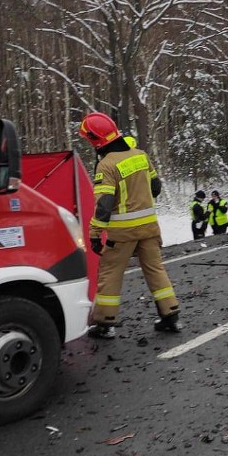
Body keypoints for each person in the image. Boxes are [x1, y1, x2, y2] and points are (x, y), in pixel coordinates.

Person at [79, 112, 180, 338]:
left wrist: (95, 233)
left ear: (96, 141)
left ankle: (104, 323)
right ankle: (170, 314)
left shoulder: (106, 165)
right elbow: (155, 187)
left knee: (110, 272)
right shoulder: (141, 155)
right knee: (155, 269)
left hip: (122, 232)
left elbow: (104, 205)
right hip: (150, 227)